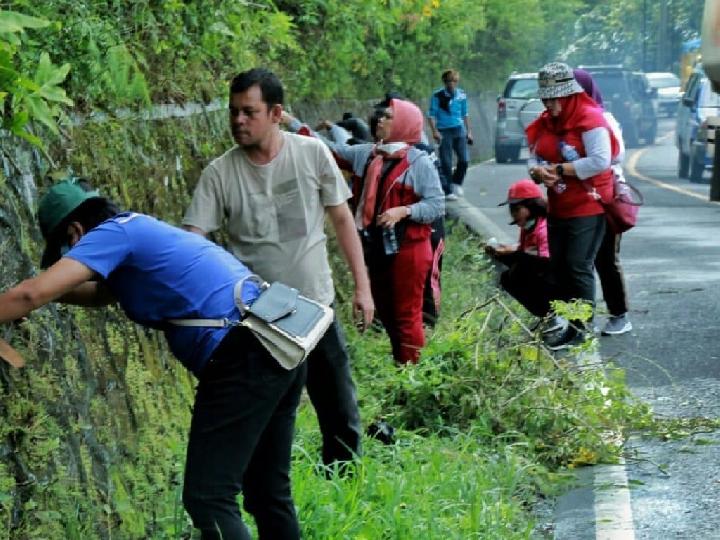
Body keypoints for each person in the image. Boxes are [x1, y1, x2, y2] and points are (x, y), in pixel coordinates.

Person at [0, 178, 306, 539]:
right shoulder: (140, 233)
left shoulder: (114, 234)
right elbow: (98, 294)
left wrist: (25, 297)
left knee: (208, 498)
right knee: (267, 491)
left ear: (75, 232)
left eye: (66, 255)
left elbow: (31, 294)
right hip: (278, 338)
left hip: (243, 355)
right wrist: (39, 296)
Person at [182, 68, 374, 469]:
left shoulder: (310, 153)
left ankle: (343, 481)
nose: (238, 121)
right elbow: (192, 242)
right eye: (233, 112)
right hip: (259, 319)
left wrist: (362, 287)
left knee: (339, 407)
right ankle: (266, 488)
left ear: (276, 113)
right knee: (265, 418)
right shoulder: (220, 174)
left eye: (249, 112)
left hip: (317, 307)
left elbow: (342, 219)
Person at [525, 62, 620, 350]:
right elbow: (533, 156)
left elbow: (600, 160)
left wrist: (560, 169)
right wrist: (538, 172)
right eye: (545, 98)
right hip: (559, 205)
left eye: (554, 98)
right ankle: (570, 324)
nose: (549, 104)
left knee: (578, 265)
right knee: (560, 267)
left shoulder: (590, 119)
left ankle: (584, 328)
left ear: (568, 95)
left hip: (588, 204)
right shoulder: (545, 123)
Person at [573, 68, 633, 336]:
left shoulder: (602, 119)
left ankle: (619, 314)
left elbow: (613, 156)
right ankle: (577, 319)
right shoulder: (564, 121)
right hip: (576, 199)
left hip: (604, 196)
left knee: (605, 258)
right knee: (576, 261)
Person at [486, 179, 563, 332]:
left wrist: (514, 254)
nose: (513, 214)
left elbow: (545, 261)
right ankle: (546, 315)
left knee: (517, 271)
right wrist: (502, 252)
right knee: (508, 275)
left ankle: (553, 314)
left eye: (516, 209)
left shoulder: (543, 227)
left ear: (531, 206)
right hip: (542, 271)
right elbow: (524, 252)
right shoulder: (528, 226)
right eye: (511, 209)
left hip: (556, 278)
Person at [427, 69, 473, 200]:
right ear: (444, 82)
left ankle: (456, 182)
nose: (451, 84)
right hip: (444, 130)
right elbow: (431, 115)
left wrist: (469, 131)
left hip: (459, 129)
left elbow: (465, 114)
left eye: (454, 81)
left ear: (457, 82)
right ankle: (447, 190)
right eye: (448, 81)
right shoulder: (438, 96)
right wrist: (434, 131)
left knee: (464, 160)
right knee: (446, 162)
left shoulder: (461, 95)